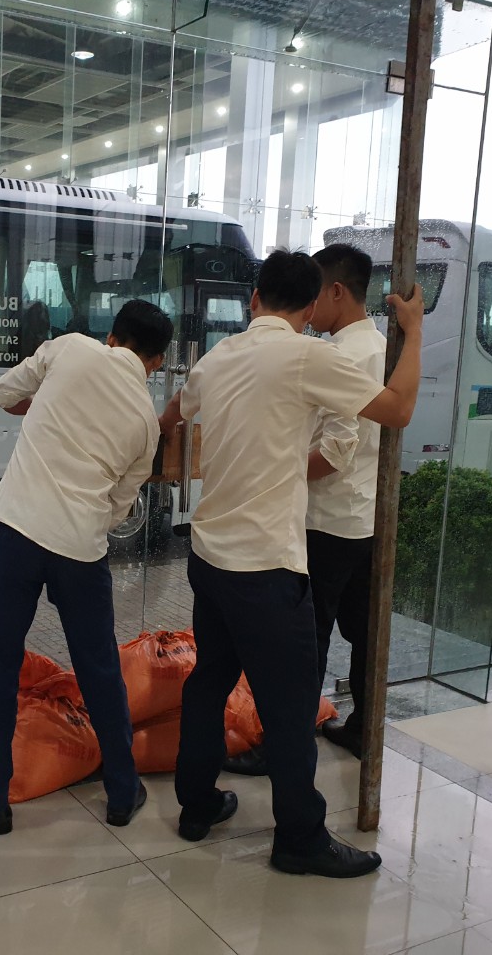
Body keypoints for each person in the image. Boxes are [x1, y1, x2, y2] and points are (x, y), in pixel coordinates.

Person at [159, 249, 424, 877]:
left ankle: (197, 805)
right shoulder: (308, 356)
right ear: (309, 309)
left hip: (209, 556)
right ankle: (300, 839)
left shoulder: (218, 357)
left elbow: (173, 416)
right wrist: (413, 332)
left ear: (254, 299)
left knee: (209, 682)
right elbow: (398, 410)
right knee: (290, 702)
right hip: (266, 566)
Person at [0, 299, 175, 835]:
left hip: (14, 531)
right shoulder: (146, 424)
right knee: (99, 669)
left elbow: (1, 394)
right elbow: (120, 507)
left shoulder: (71, 349)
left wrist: (44, 407)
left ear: (112, 337)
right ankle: (122, 792)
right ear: (156, 362)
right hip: (80, 550)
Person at [305, 245, 388, 760]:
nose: (307, 305)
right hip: (366, 517)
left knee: (308, 636)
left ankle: (288, 745)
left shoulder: (339, 356)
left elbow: (333, 451)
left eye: (313, 292)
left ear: (337, 291)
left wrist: (279, 474)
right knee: (364, 633)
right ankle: (363, 728)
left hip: (326, 518)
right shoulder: (383, 348)